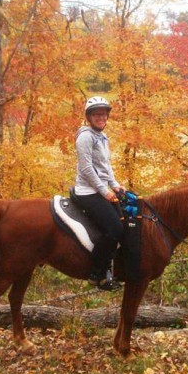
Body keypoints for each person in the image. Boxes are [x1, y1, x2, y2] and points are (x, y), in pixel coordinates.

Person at [74, 96, 125, 291]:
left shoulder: (102, 137)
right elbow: (87, 169)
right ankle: (96, 273)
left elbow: (105, 167)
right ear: (88, 117)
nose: (101, 117)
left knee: (126, 221)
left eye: (104, 114)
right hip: (88, 191)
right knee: (114, 229)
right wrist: (105, 192)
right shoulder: (85, 137)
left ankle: (112, 270)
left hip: (101, 189)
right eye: (96, 114)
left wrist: (116, 185)